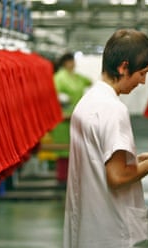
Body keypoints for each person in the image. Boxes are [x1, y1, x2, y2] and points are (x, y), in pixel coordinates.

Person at [57, 29, 148, 248]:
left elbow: (103, 161)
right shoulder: (114, 110)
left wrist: (140, 159)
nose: (143, 82)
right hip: (111, 233)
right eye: (142, 73)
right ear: (124, 67)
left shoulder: (88, 102)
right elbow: (117, 176)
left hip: (92, 229)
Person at [51, 52, 92, 184]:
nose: (73, 64)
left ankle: (74, 177)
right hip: (63, 119)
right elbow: (54, 94)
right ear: (65, 63)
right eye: (71, 61)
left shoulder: (76, 77)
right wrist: (63, 98)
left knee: (76, 148)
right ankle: (63, 179)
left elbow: (89, 81)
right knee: (64, 151)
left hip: (76, 116)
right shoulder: (59, 77)